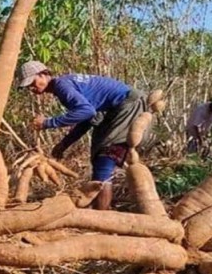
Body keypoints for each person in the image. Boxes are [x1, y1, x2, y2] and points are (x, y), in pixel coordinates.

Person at [16, 60, 152, 210]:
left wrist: (48, 123)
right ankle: (101, 210)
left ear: (44, 74)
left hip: (128, 105)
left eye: (32, 82)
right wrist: (64, 144)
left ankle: (102, 217)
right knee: (101, 155)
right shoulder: (66, 85)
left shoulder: (62, 85)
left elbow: (86, 112)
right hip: (122, 107)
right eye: (28, 86)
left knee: (105, 157)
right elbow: (88, 119)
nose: (31, 88)